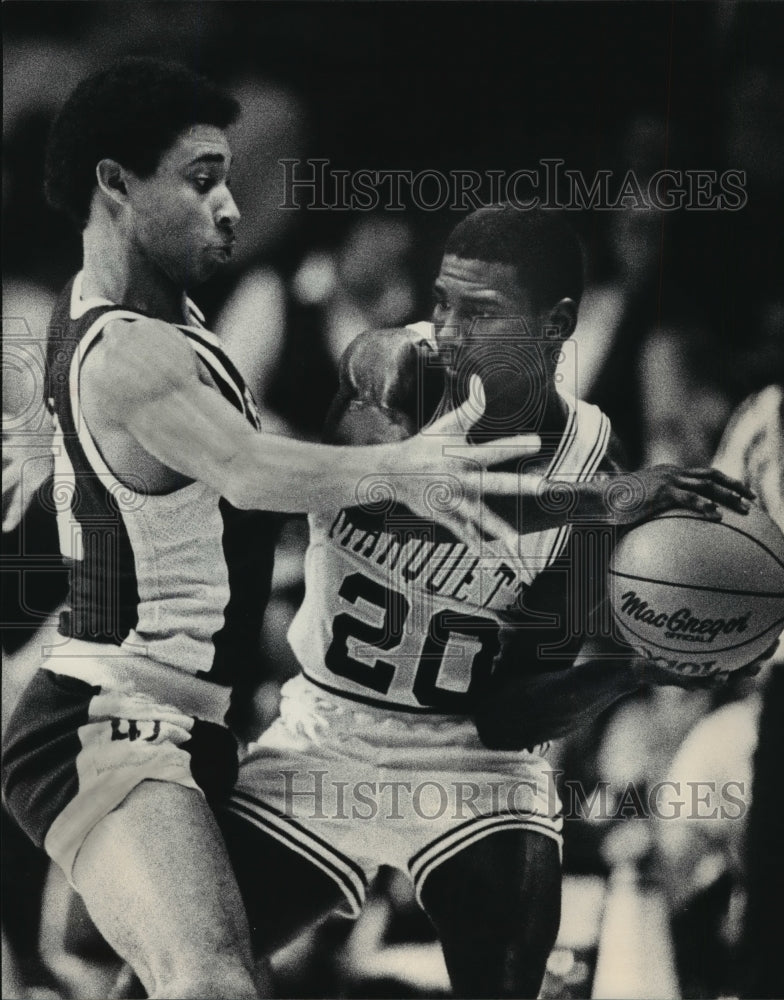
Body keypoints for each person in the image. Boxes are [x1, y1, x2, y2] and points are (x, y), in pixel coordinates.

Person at [0, 62, 552, 1000]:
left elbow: (143, 449)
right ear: (115, 183)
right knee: (211, 980)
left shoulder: (139, 313)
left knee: (181, 975)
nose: (229, 208)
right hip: (110, 717)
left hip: (195, 721)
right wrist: (404, 468)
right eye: (202, 179)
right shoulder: (134, 346)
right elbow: (249, 472)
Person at [218, 207, 756, 998]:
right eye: (441, 301)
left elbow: (512, 715)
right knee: (186, 966)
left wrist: (633, 669)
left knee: (510, 954)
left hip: (470, 760)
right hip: (329, 732)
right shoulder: (398, 378)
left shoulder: (590, 456)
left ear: (555, 326)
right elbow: (371, 364)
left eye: (480, 312)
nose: (448, 329)